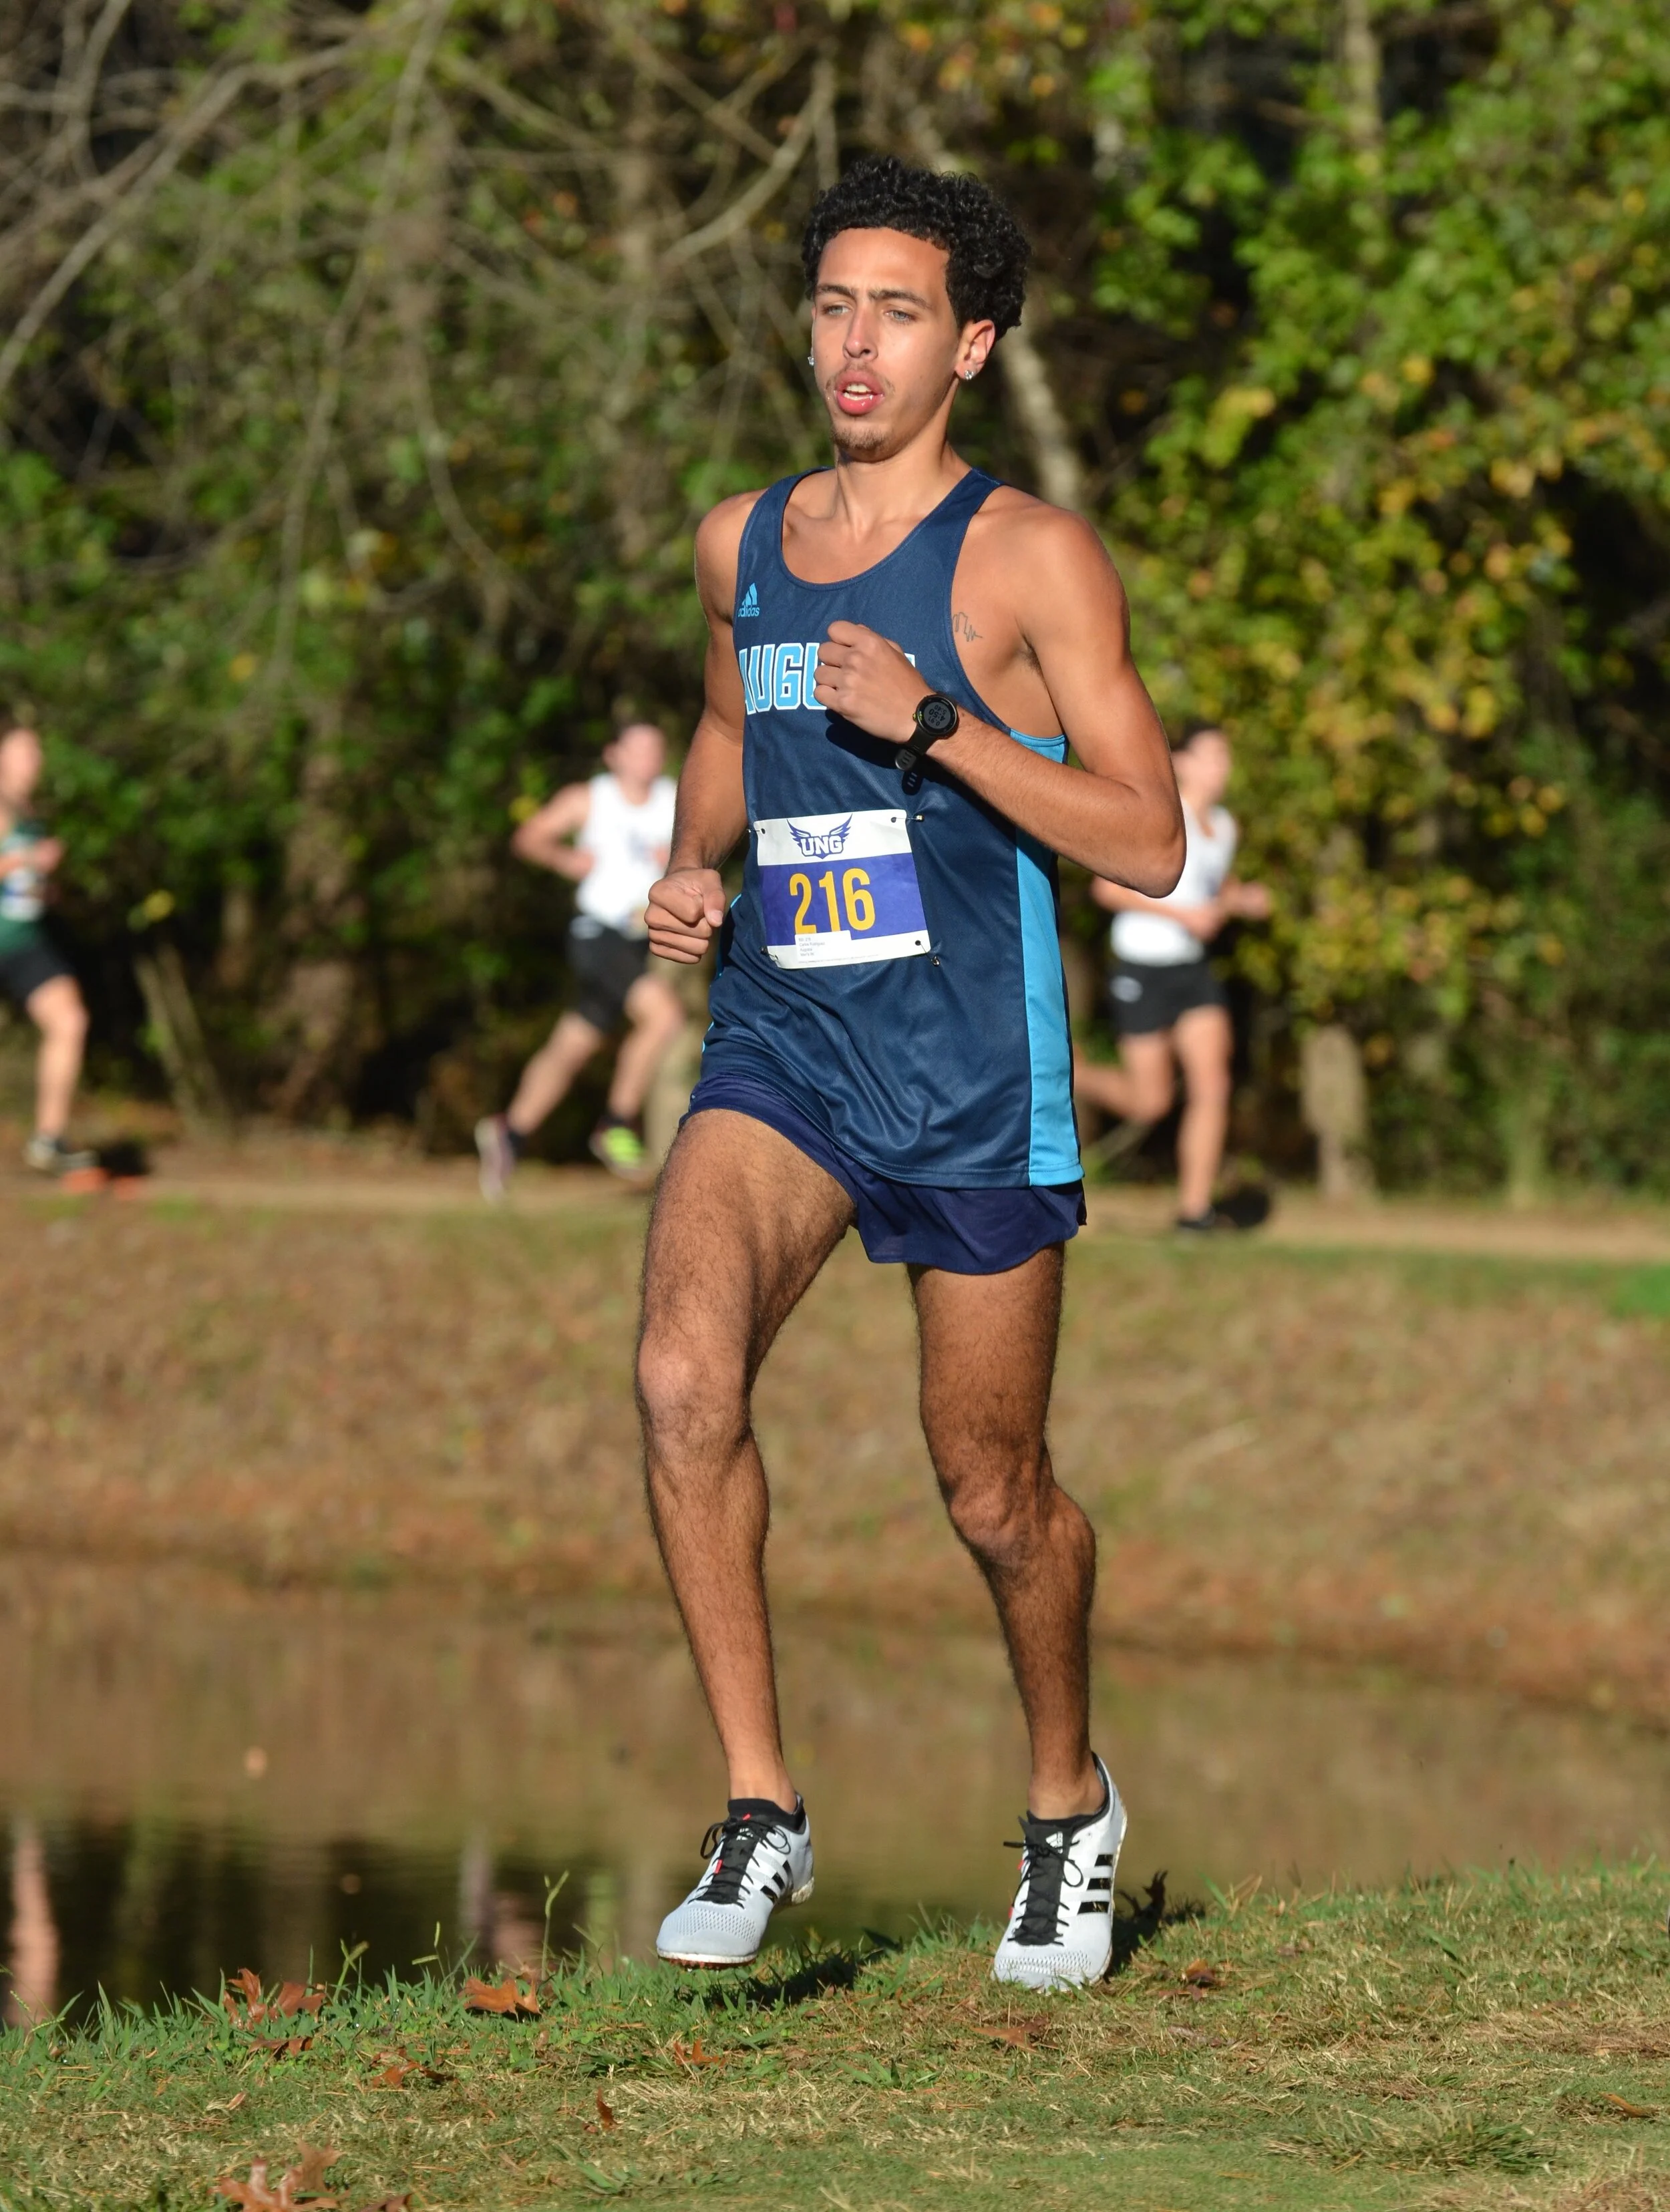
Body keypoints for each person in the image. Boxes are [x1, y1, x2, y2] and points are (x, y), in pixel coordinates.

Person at [635, 156, 1183, 1990]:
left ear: (970, 342)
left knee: (990, 1491)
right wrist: (699, 857)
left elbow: (1147, 842)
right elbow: (727, 724)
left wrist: (935, 723)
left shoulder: (1029, 556)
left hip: (968, 1076)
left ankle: (1064, 1812)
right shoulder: (742, 542)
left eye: (893, 312)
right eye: (828, 306)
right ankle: (759, 1807)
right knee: (680, 1375)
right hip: (784, 1047)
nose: (851, 344)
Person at [1073, 723, 1270, 1232]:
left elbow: (1210, 885)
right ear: (1180, 762)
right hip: (1142, 965)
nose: (1221, 767)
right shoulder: (1163, 817)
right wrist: (1185, 918)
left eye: (1225, 757)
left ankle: (1194, 1211)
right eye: (1211, 756)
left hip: (1192, 969)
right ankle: (1072, 1070)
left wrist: (1240, 899)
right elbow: (1107, 891)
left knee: (1213, 1083)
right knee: (1151, 1102)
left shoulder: (1224, 827)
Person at [475, 721, 684, 1194]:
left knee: (573, 1045)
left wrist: (675, 857)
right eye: (638, 750)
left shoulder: (673, 798)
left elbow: (701, 845)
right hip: (597, 934)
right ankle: (615, 1124)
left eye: (655, 750)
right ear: (614, 755)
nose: (648, 759)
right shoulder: (590, 798)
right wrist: (566, 860)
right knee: (664, 1018)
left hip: (635, 939)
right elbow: (529, 837)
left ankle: (510, 1132)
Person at [0, 727, 95, 1176]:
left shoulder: (28, 812)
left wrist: (44, 886)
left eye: (37, 752)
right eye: (23, 752)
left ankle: (48, 1139)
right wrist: (28, 861)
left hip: (22, 941)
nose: (33, 760)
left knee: (70, 1021)